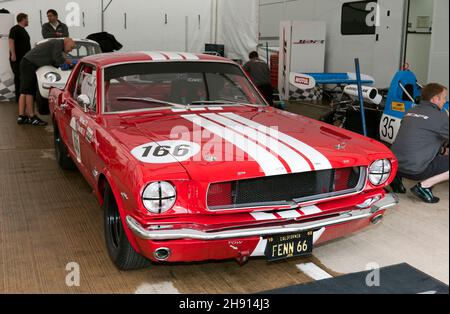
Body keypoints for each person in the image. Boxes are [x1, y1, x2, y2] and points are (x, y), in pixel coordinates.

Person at [390, 83, 449, 203]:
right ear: (435, 99)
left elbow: (420, 140)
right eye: (444, 98)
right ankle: (424, 186)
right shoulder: (440, 117)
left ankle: (396, 180)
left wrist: (443, 150)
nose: (445, 101)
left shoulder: (410, 111)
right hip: (416, 171)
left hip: (394, 166)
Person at [17, 38, 76, 126]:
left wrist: (67, 62)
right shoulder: (58, 43)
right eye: (71, 47)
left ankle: (23, 117)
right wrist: (70, 64)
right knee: (27, 91)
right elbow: (57, 58)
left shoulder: (56, 44)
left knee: (26, 91)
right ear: (66, 42)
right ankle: (30, 117)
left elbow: (54, 59)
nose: (71, 50)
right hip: (29, 64)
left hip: (28, 63)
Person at [8, 13, 31, 103]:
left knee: (22, 78)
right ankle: (19, 99)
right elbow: (11, 41)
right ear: (23, 19)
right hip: (17, 59)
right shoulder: (15, 29)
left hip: (24, 59)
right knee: (18, 78)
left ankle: (23, 98)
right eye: (27, 18)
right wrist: (13, 54)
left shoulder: (23, 30)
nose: (28, 20)